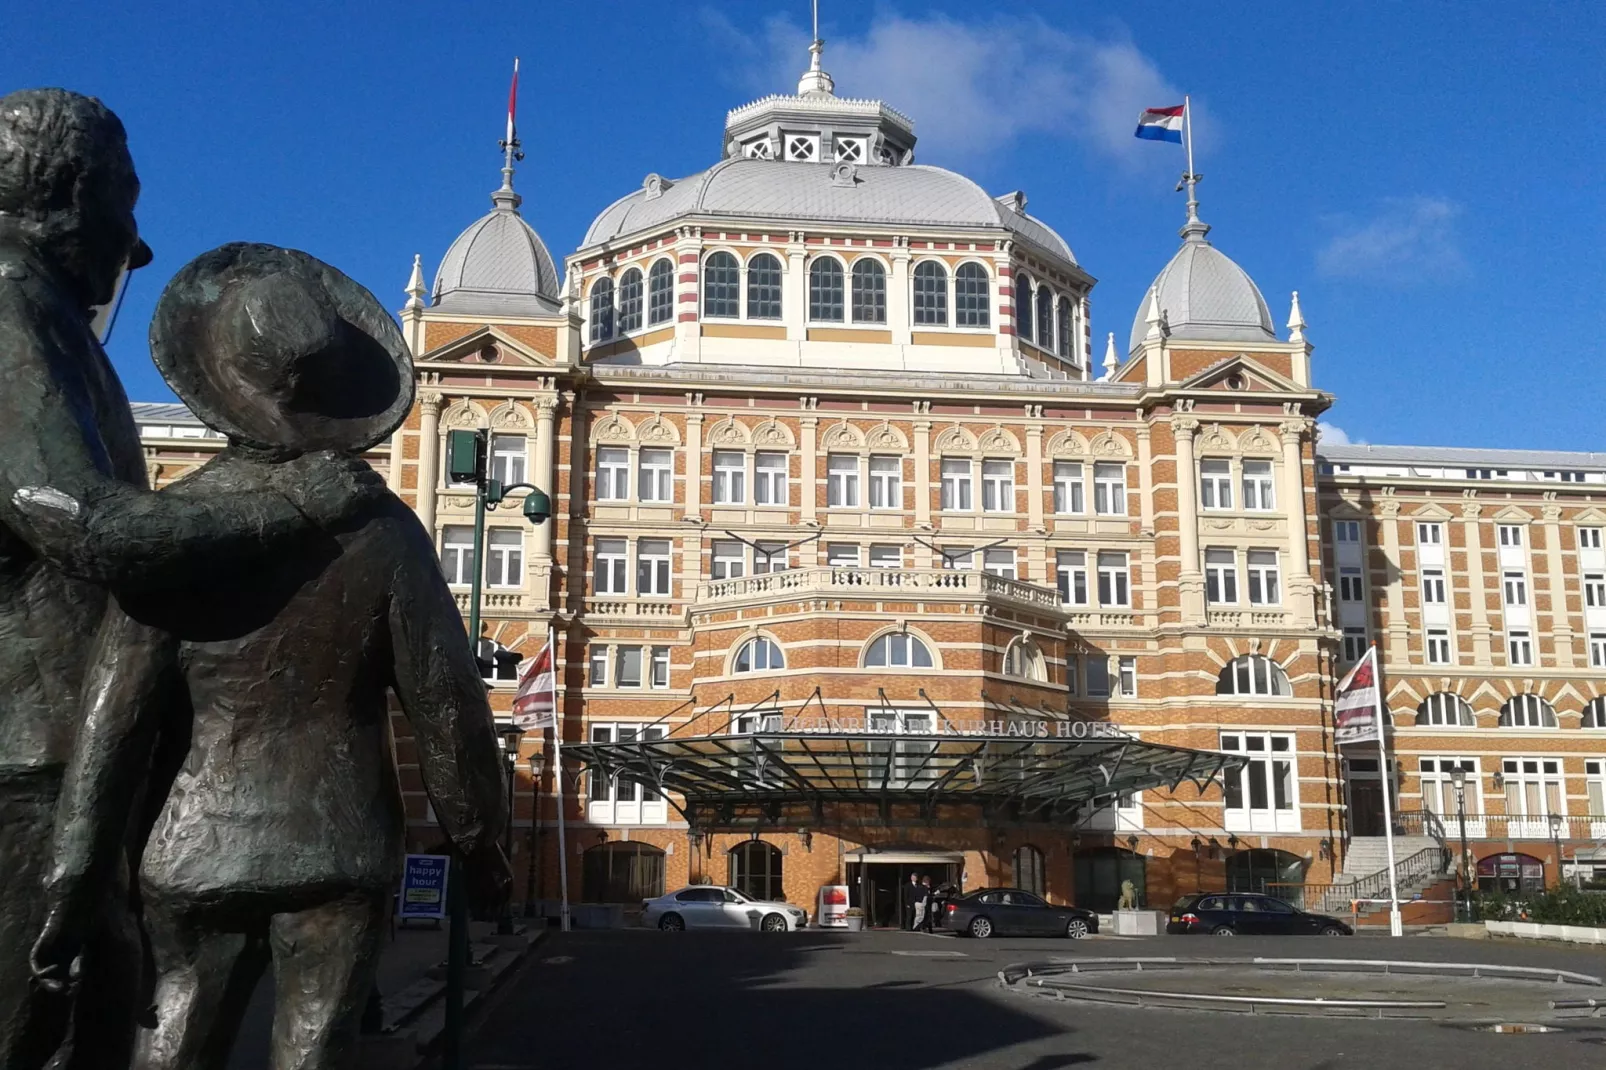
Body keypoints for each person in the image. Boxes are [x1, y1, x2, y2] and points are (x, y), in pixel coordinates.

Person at [32, 243, 512, 1069]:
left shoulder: (173, 527)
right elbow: (448, 709)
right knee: (315, 1049)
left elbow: (113, 719)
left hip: (193, 842)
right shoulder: (384, 531)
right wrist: (481, 846)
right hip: (339, 844)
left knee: (175, 1031)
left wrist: (75, 872)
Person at [0, 89, 376, 1070]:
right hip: (29, 766)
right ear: (66, 193)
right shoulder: (5, 307)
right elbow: (84, 522)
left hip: (66, 765)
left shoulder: (44, 318)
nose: (138, 241)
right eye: (124, 200)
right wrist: (288, 508)